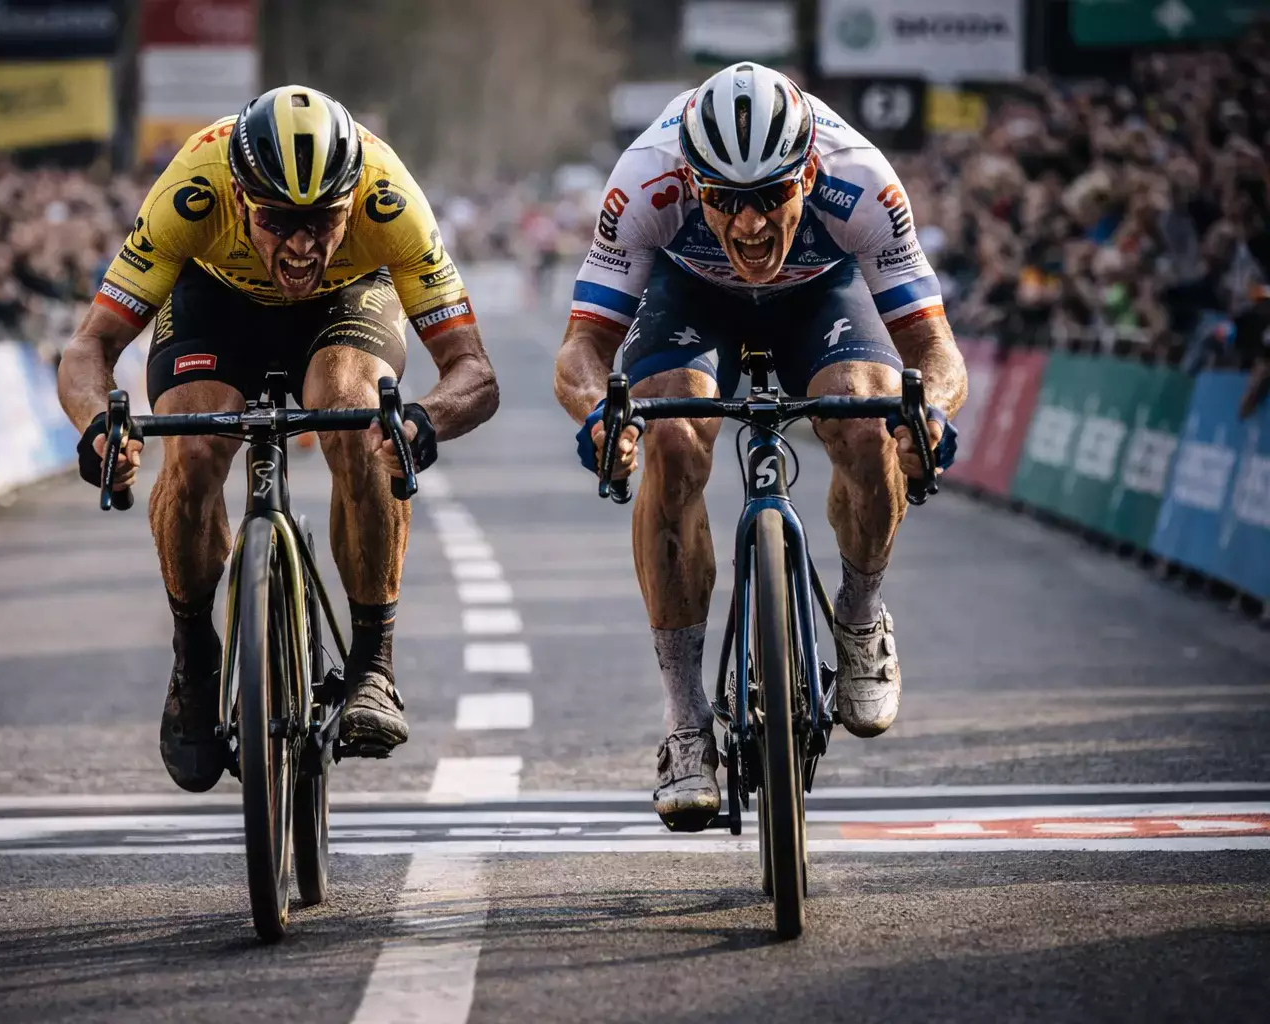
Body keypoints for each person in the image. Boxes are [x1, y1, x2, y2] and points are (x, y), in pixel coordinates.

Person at [554, 64, 966, 830]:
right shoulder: (645, 180)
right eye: (724, 200)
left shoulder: (861, 179)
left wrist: (930, 415)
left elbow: (936, 352)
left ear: (806, 174)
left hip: (821, 292)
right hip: (690, 294)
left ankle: (860, 616)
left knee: (868, 418)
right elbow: (581, 350)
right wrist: (601, 417)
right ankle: (685, 722)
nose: (748, 225)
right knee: (670, 437)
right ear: (691, 180)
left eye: (771, 197)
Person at [59, 86, 499, 792]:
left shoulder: (390, 201)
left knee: (358, 418)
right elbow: (91, 346)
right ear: (238, 198)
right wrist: (96, 426)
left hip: (345, 301)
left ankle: (372, 664)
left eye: (323, 221)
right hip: (215, 301)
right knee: (194, 451)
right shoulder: (192, 189)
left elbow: (473, 370)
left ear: (352, 202)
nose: (300, 244)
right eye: (277, 221)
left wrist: (423, 419)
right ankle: (194, 653)